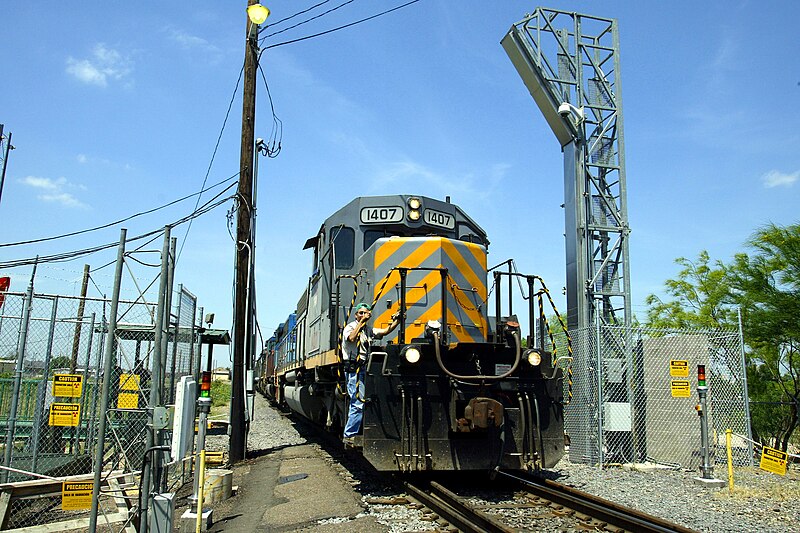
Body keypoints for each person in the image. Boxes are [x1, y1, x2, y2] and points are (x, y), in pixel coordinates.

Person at [341, 302, 399, 447]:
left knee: (362, 402)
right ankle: (349, 435)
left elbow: (384, 332)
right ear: (356, 315)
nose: (362, 315)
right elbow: (352, 339)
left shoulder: (368, 330)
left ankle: (356, 432)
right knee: (357, 403)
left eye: (365, 312)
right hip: (354, 371)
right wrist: (361, 322)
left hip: (363, 370)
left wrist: (398, 320)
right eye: (360, 313)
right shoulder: (351, 327)